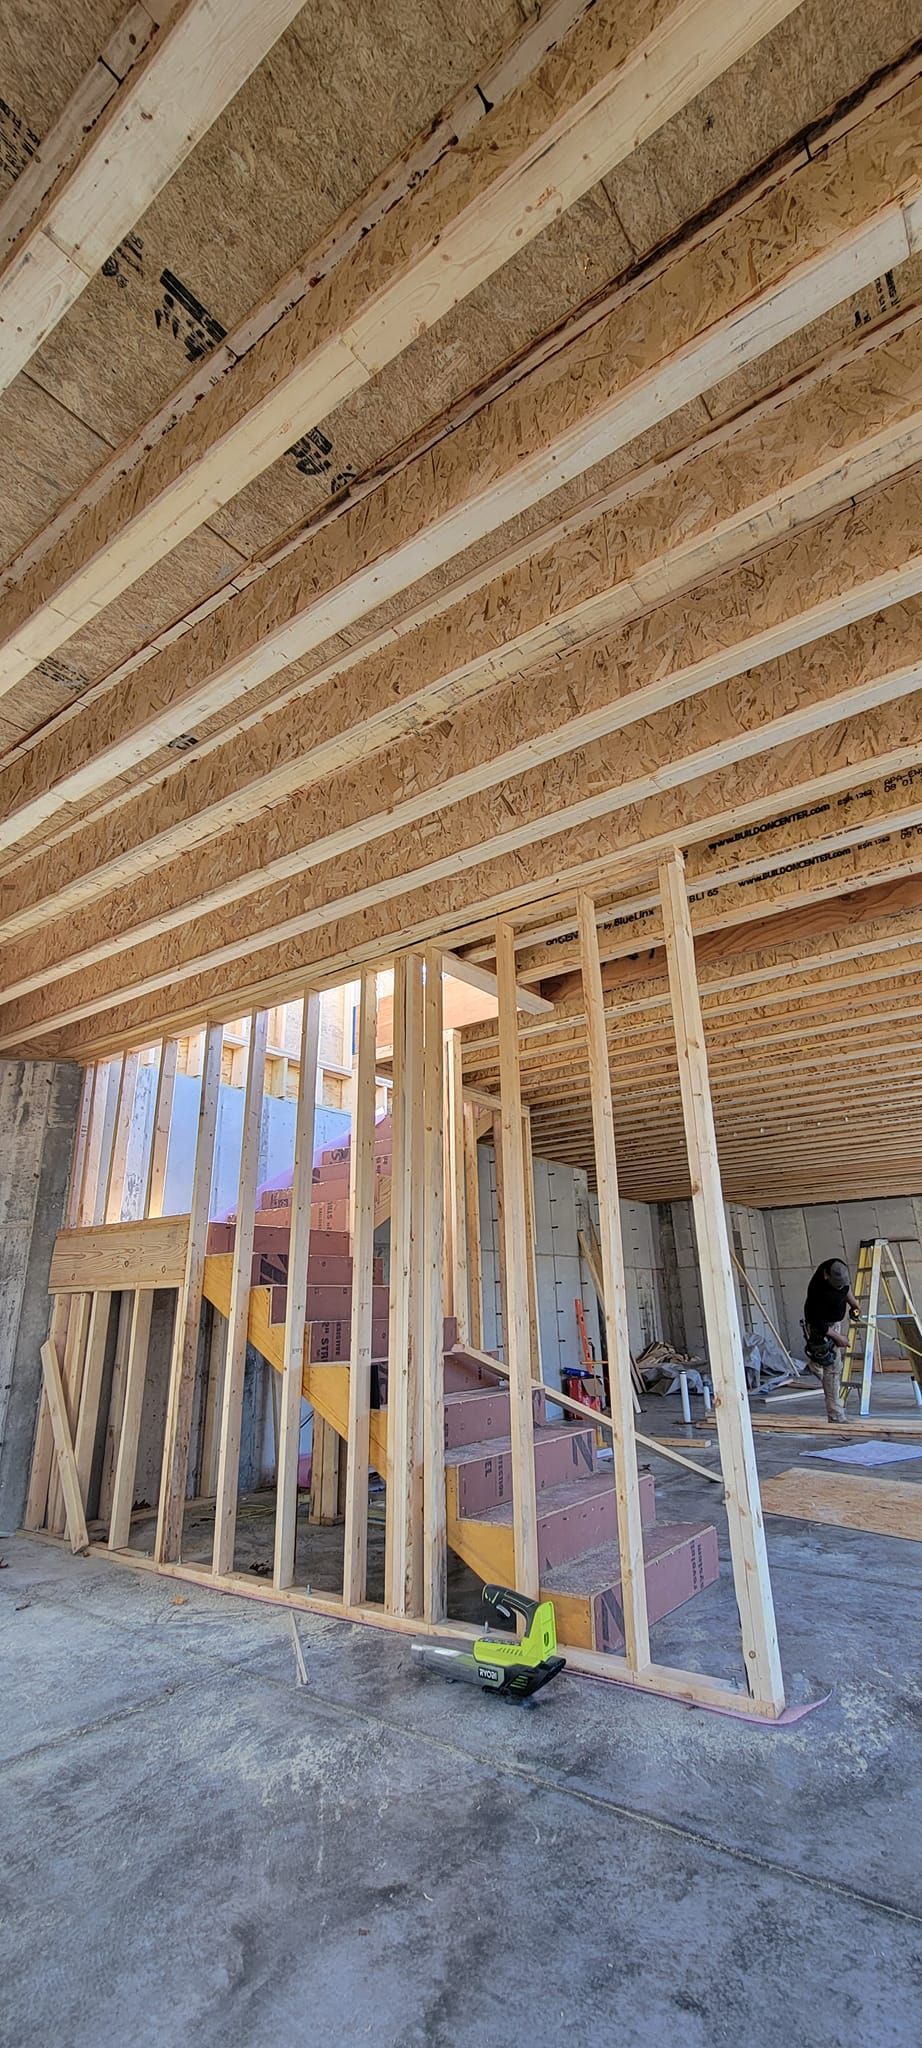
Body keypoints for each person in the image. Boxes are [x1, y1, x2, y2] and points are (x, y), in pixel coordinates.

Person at [802, 1257, 860, 1422]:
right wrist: (838, 1337)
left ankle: (815, 1365)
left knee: (829, 1366)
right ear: (827, 1276)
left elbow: (845, 1288)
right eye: (837, 1285)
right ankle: (835, 1415)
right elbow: (815, 1321)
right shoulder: (816, 1292)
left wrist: (854, 1304)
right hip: (821, 1329)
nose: (840, 1287)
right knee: (834, 1369)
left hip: (834, 1323)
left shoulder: (837, 1266)